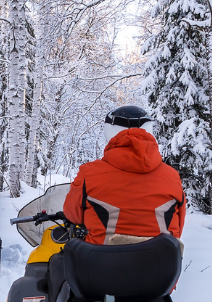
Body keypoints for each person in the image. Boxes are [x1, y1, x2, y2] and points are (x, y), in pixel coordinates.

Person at [63, 105, 186, 245]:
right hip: (161, 263)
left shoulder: (89, 173)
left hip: (100, 261)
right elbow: (179, 225)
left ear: (110, 132)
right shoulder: (172, 176)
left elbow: (73, 216)